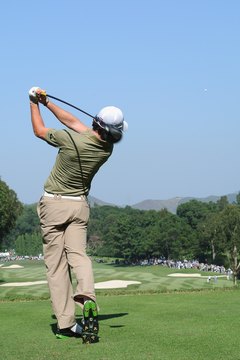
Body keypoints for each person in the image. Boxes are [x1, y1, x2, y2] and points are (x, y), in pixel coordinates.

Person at [28, 86, 128, 342]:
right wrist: (48, 102)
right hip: (79, 207)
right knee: (79, 256)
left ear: (95, 121)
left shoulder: (69, 140)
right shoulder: (106, 148)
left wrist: (33, 103)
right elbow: (73, 121)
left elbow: (39, 131)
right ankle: (87, 298)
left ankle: (66, 323)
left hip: (53, 206)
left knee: (56, 266)